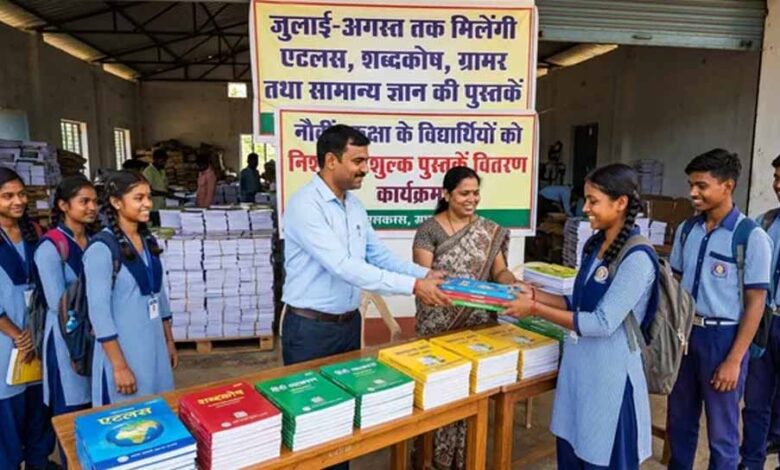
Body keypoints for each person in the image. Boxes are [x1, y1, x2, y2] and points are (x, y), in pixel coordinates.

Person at [503, 163, 658, 469]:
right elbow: (577, 301)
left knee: (603, 454)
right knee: (573, 450)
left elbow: (601, 322)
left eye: (593, 201)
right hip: (580, 372)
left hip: (610, 380)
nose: (585, 208)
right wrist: (533, 295)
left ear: (620, 203)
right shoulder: (596, 245)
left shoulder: (637, 258)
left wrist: (534, 310)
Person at [666, 149, 771, 470]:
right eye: (691, 185)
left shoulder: (750, 236)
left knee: (722, 433)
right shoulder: (687, 230)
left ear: (727, 186)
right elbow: (675, 282)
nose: (693, 193)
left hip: (723, 339)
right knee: (679, 423)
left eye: (701, 185)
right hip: (685, 336)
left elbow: (755, 303)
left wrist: (734, 360)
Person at [412, 166, 517, 469]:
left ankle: (466, 459)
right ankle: (431, 459)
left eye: (475, 193)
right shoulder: (428, 231)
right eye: (464, 193)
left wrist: (511, 283)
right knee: (440, 392)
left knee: (474, 393)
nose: (472, 199)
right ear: (446, 194)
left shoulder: (488, 230)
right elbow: (426, 278)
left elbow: (499, 271)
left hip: (478, 326)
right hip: (437, 325)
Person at [83, 170, 178, 406]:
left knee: (160, 412)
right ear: (116, 202)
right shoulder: (102, 249)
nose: (148, 203)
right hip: (125, 351)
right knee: (129, 417)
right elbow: (99, 313)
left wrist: (168, 341)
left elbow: (159, 294)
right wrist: (119, 366)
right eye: (138, 198)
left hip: (154, 347)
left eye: (148, 197)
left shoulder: (148, 241)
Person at [0, 168, 56, 469]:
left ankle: (39, 463)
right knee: (7, 412)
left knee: (38, 407)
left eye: (21, 194)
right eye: (7, 196)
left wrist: (35, 333)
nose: (18, 201)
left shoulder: (34, 232)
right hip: (6, 341)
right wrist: (15, 333)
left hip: (36, 335)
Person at [34, 177, 97, 423]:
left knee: (95, 408)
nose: (92, 207)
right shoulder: (51, 247)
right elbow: (56, 303)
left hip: (93, 335)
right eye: (84, 201)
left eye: (94, 201)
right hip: (66, 338)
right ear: (63, 205)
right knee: (70, 413)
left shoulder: (95, 242)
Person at [740, 154, 780, 470]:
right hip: (765, 321)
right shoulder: (764, 223)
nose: (778, 185)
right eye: (777, 178)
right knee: (755, 400)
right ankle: (751, 462)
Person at [142, 148, 169, 225]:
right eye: (162, 161)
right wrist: (164, 194)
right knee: (155, 227)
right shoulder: (148, 172)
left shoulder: (162, 171)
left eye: (165, 161)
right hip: (153, 208)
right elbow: (147, 190)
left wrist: (174, 192)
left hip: (162, 206)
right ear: (155, 159)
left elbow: (163, 186)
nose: (164, 163)